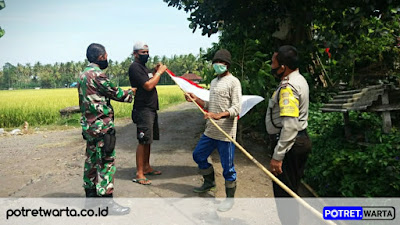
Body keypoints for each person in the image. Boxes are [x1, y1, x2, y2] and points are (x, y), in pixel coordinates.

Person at [78, 43, 135, 214]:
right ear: (101, 56)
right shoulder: (98, 75)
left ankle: (90, 198)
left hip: (88, 127)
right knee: (107, 163)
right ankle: (107, 204)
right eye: (106, 55)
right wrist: (131, 93)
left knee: (91, 160)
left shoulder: (82, 75)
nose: (107, 58)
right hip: (102, 126)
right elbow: (118, 94)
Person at [185, 49, 242, 212]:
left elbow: (237, 108)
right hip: (211, 131)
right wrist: (196, 99)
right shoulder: (214, 81)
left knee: (227, 167)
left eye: (221, 63)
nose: (218, 65)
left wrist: (219, 115)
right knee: (198, 155)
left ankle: (229, 198)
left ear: (227, 65)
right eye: (216, 62)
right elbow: (210, 105)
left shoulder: (233, 82)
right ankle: (209, 182)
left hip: (225, 133)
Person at [265, 45, 312, 225]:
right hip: (298, 141)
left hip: (291, 145)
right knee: (292, 189)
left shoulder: (288, 87)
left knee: (285, 196)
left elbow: (290, 126)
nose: (271, 66)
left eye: (273, 63)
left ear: (283, 67)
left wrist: (278, 156)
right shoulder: (300, 79)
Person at [129, 41, 167, 185]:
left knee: (148, 140)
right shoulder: (134, 68)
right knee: (143, 140)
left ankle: (146, 167)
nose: (146, 54)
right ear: (135, 54)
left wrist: (155, 71)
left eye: (147, 52)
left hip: (151, 108)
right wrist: (159, 72)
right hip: (143, 109)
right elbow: (149, 85)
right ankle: (139, 173)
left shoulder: (143, 68)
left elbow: (150, 78)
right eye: (142, 52)